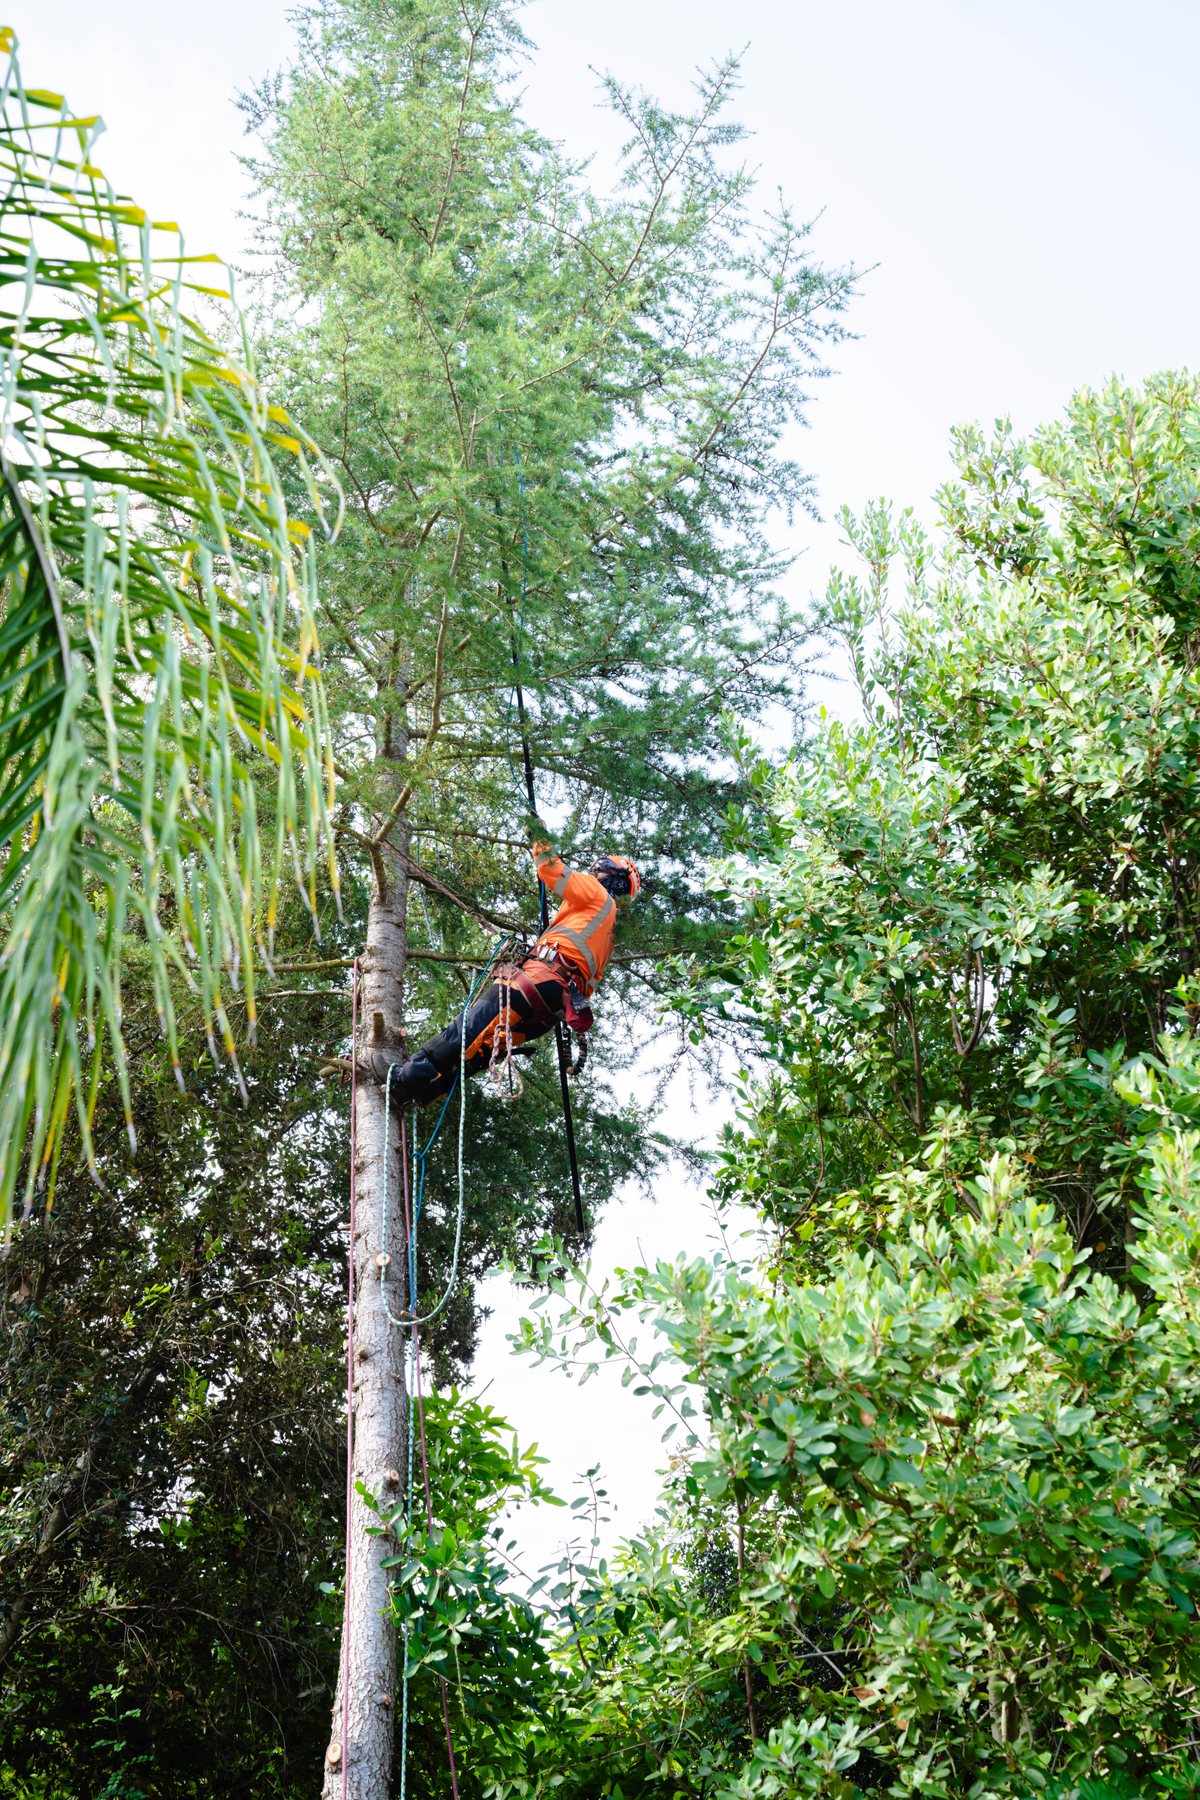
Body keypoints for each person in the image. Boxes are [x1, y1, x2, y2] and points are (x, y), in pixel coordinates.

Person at [367, 826, 640, 1110]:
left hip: (534, 982)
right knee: (484, 1050)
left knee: (468, 1027)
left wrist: (537, 835)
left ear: (614, 879)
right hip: (551, 1011)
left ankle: (403, 1082)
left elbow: (552, 871)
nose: (595, 872)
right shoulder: (607, 935)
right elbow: (589, 987)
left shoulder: (596, 894)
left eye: (603, 869)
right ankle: (425, 1092)